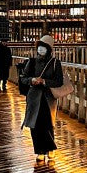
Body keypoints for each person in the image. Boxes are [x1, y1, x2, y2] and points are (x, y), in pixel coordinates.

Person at [19, 35, 63, 163]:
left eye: (44, 47)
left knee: (47, 124)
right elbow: (23, 77)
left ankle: (50, 149)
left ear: (49, 49)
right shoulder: (31, 62)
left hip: (48, 99)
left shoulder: (55, 63)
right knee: (35, 125)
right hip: (33, 98)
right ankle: (39, 151)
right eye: (40, 47)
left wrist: (44, 81)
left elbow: (58, 81)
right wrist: (32, 80)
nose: (41, 49)